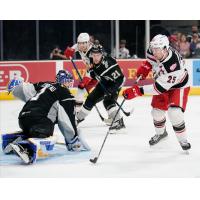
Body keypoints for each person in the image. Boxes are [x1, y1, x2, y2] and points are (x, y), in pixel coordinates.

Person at [2, 70, 90, 164]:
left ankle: (14, 140)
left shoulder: (44, 84)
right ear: (64, 81)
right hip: (40, 121)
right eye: (68, 81)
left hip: (23, 119)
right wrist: (73, 140)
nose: (69, 84)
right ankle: (26, 147)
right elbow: (66, 120)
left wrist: (17, 83)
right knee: (46, 133)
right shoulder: (65, 94)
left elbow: (23, 90)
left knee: (35, 130)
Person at [122, 34, 191, 151]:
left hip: (178, 86)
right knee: (156, 113)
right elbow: (150, 61)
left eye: (157, 49)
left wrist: (136, 91)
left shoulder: (174, 65)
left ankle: (183, 139)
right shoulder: (152, 50)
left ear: (165, 49)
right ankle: (161, 133)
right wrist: (145, 68)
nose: (154, 52)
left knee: (174, 113)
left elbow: (157, 88)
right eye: (153, 48)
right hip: (161, 81)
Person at [76, 44, 126, 134]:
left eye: (98, 55)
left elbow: (121, 79)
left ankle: (119, 123)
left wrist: (112, 90)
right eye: (93, 55)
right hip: (104, 82)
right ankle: (78, 119)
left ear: (102, 55)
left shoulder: (109, 65)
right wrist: (91, 73)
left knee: (108, 102)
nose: (95, 58)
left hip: (114, 83)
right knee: (91, 99)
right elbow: (94, 72)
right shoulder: (91, 59)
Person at [64, 33, 98, 110]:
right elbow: (69, 52)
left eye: (83, 43)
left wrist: (86, 78)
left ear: (88, 43)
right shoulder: (79, 46)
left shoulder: (93, 51)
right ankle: (77, 112)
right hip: (90, 71)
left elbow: (93, 68)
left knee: (83, 87)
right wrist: (68, 53)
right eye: (79, 43)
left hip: (98, 73)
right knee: (81, 89)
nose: (81, 45)